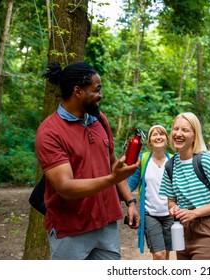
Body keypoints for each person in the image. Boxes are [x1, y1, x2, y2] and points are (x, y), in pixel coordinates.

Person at [35, 61, 140, 260]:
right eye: (96, 89)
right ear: (78, 91)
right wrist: (111, 179)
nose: (100, 95)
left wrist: (130, 201)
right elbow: (65, 187)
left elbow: (112, 162)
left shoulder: (99, 120)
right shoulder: (50, 132)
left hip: (106, 225)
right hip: (71, 230)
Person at [159, 112, 210, 260]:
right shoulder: (170, 165)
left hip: (208, 228)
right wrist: (174, 208)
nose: (178, 134)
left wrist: (195, 213)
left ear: (194, 135)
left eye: (185, 130)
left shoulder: (205, 161)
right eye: (175, 129)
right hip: (182, 230)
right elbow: (171, 200)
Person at [128, 125, 174, 259]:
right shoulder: (142, 160)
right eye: (154, 134)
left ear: (166, 140)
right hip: (150, 214)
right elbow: (130, 184)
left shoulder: (173, 160)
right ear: (149, 141)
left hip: (170, 214)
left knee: (166, 254)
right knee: (158, 255)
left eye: (162, 134)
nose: (158, 137)